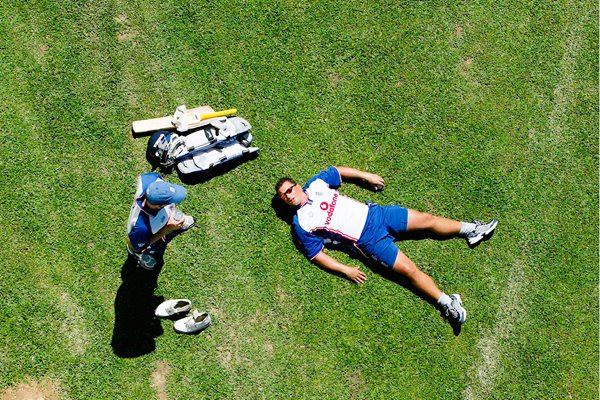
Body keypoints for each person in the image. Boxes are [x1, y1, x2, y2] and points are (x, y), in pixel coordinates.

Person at [275, 166, 498, 328]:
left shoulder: (316, 185)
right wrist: (346, 269)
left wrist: (365, 176)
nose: (289, 195)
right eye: (284, 196)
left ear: (296, 185)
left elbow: (338, 171)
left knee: (427, 219)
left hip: (377, 214)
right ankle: (448, 304)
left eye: (289, 189)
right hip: (368, 241)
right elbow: (316, 255)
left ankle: (472, 230)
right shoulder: (302, 224)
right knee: (409, 271)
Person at [126, 172, 195, 270]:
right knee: (139, 248)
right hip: (142, 237)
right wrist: (167, 229)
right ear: (160, 205)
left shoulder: (150, 179)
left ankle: (175, 220)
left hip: (159, 218)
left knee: (172, 214)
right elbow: (132, 243)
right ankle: (138, 255)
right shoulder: (142, 228)